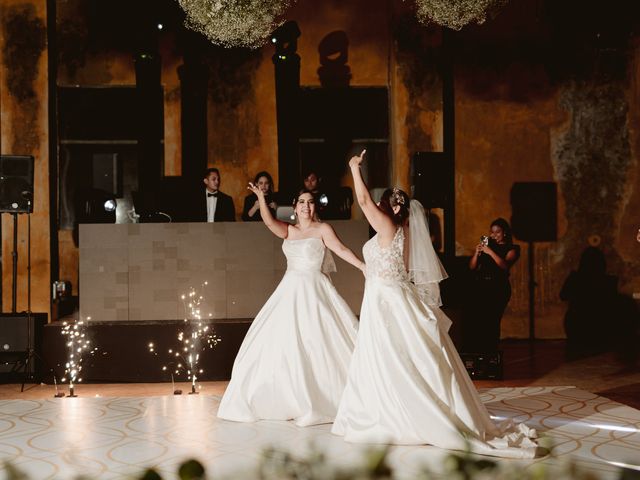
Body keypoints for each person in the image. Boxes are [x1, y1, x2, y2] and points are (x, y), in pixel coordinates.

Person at [332, 150, 538, 458]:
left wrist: (353, 169)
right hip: (385, 295)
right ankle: (388, 407)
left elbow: (362, 202)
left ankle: (401, 414)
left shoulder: (389, 228)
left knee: (395, 356)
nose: (387, 205)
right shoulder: (400, 231)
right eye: (391, 200)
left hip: (387, 299)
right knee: (393, 357)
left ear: (391, 208)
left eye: (392, 201)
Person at [217, 186, 365, 426]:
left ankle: (324, 397)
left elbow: (340, 249)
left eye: (310, 202)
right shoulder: (289, 231)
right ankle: (287, 397)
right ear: (295, 207)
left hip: (314, 290)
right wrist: (261, 199)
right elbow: (268, 222)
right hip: (289, 290)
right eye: (302, 202)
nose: (306, 206)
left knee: (319, 340)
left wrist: (361, 266)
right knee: (281, 341)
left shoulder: (323, 229)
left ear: (315, 207)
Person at [465, 218, 520, 353]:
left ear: (505, 233)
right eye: (492, 232)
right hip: (482, 287)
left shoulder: (513, 249)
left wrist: (490, 252)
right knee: (480, 321)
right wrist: (477, 254)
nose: (494, 235)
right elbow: (472, 267)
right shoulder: (487, 246)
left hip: (499, 288)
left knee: (493, 320)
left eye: (498, 232)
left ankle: (491, 352)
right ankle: (481, 352)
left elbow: (505, 266)